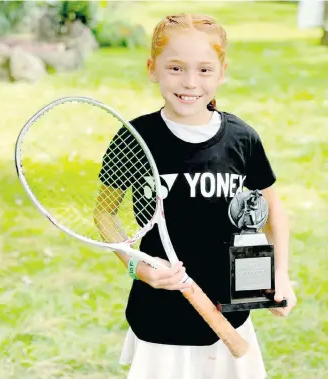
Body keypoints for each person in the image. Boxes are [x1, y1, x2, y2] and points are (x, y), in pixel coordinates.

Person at [97, 13, 297, 379]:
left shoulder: (242, 139)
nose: (189, 82)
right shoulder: (134, 138)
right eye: (175, 68)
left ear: (222, 72)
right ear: (152, 68)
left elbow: (272, 210)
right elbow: (104, 214)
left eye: (204, 70)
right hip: (159, 315)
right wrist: (135, 266)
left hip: (228, 316)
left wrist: (279, 276)